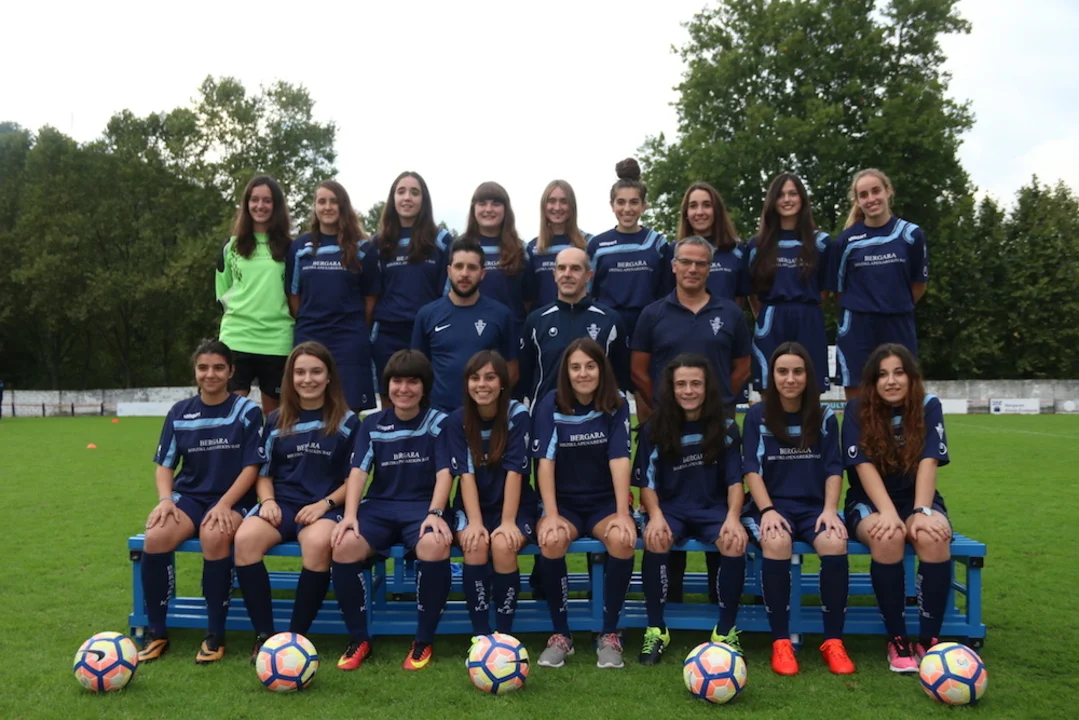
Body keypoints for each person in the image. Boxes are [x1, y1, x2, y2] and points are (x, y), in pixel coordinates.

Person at [137, 339, 264, 664]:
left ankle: (215, 634)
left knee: (214, 535)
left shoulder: (247, 411)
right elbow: (165, 466)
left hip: (234, 498)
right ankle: (156, 631)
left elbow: (252, 467)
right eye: (203, 367)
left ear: (231, 371)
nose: (211, 374)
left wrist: (224, 504)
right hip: (190, 497)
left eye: (219, 367)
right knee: (156, 536)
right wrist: (166, 500)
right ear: (195, 371)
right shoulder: (180, 412)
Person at [234, 342, 358, 661]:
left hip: (326, 507)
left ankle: (295, 638)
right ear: (290, 378)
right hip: (283, 504)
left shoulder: (347, 421)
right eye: (300, 372)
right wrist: (268, 501)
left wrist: (324, 504)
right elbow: (264, 473)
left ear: (329, 376)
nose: (308, 379)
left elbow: (355, 479)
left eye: (316, 372)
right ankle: (264, 635)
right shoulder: (276, 419)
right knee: (245, 539)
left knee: (317, 545)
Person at [329, 349, 452, 671]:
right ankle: (359, 638)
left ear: (424, 387)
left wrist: (436, 513)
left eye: (413, 382)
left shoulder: (439, 422)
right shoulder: (372, 423)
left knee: (434, 544)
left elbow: (445, 473)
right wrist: (350, 516)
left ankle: (423, 640)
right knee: (344, 544)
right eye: (397, 381)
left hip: (423, 507)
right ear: (387, 385)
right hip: (380, 507)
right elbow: (358, 472)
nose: (404, 389)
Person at [741, 342, 855, 676]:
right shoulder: (757, 415)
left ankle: (833, 641)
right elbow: (752, 470)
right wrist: (768, 510)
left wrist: (830, 510)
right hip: (770, 506)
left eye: (798, 372)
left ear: (808, 376)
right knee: (777, 542)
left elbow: (833, 468)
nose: (790, 379)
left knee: (835, 542)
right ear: (772, 376)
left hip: (813, 509)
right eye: (782, 372)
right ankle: (781, 642)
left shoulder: (824, 416)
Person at [842, 343, 952, 673]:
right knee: (887, 536)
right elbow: (862, 466)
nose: (891, 381)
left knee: (933, 538)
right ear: (872, 382)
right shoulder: (857, 409)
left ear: (911, 377)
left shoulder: (929, 405)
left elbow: (929, 460)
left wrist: (921, 511)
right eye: (883, 375)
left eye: (899, 373)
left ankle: (929, 640)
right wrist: (888, 512)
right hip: (869, 500)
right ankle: (898, 639)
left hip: (918, 496)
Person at [633, 354, 747, 666]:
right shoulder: (655, 427)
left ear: (707, 387)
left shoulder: (725, 427)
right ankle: (656, 629)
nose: (688, 390)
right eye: (681, 384)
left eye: (695, 383)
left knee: (734, 541)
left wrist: (733, 518)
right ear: (671, 388)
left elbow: (735, 481)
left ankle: (725, 631)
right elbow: (646, 484)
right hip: (670, 508)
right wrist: (656, 516)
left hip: (712, 508)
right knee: (656, 538)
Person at [531, 338, 635, 669]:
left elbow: (620, 458)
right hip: (565, 504)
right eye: (575, 367)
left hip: (603, 503)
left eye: (590, 366)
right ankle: (561, 635)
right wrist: (551, 514)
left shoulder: (616, 404)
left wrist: (622, 513)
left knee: (622, 539)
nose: (583, 373)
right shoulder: (550, 404)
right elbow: (545, 463)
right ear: (566, 372)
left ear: (601, 369)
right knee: (552, 539)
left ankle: (609, 633)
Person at [445, 350, 537, 635]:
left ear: (502, 384)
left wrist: (508, 522)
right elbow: (466, 475)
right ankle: (482, 635)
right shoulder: (457, 420)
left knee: (502, 545)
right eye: (475, 378)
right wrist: (474, 522)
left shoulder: (517, 415)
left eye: (490, 377)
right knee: (475, 545)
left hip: (515, 504)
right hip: (473, 505)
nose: (482, 385)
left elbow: (515, 472)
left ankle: (504, 634)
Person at [631, 236, 751, 423]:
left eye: (700, 264)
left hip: (717, 419)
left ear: (709, 268)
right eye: (686, 262)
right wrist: (660, 403)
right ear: (674, 266)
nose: (693, 269)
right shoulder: (651, 314)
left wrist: (719, 400)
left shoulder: (731, 313)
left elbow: (743, 368)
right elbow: (638, 371)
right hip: (668, 418)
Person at [832, 169, 928, 398]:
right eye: (863, 195)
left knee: (903, 393)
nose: (871, 199)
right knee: (858, 401)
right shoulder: (845, 241)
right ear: (857, 201)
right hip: (857, 327)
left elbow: (918, 284)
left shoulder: (911, 234)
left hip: (898, 323)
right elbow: (838, 291)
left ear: (888, 191)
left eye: (876, 191)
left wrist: (893, 304)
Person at [287, 180, 381, 412]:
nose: (327, 207)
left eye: (333, 201)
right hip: (310, 336)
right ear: (315, 207)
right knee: (310, 408)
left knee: (348, 410)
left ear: (343, 206)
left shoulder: (363, 248)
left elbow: (370, 298)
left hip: (348, 339)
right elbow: (293, 295)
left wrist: (353, 326)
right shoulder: (300, 247)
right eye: (322, 201)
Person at [588, 157, 672, 404]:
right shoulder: (597, 245)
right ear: (612, 205)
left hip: (647, 326)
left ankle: (649, 431)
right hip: (608, 326)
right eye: (621, 202)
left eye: (634, 202)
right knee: (607, 394)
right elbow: (588, 292)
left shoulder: (657, 242)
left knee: (646, 391)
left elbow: (666, 292)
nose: (627, 209)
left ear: (644, 205)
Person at [744, 173, 833, 393]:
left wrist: (805, 310)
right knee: (769, 385)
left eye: (793, 193)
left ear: (802, 198)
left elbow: (825, 289)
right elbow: (752, 291)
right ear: (772, 201)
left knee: (810, 386)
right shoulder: (757, 244)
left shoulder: (821, 242)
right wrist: (766, 315)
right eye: (780, 195)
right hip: (771, 318)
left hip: (808, 317)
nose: (787, 199)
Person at [371, 171, 452, 406]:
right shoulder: (378, 242)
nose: (407, 198)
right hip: (388, 332)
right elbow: (372, 292)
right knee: (392, 399)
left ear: (423, 200)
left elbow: (447, 290)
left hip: (428, 332)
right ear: (393, 198)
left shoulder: (441, 240)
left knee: (427, 399)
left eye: (414, 192)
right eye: (401, 191)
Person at [215, 175, 294, 414]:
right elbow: (222, 293)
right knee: (231, 415)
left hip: (277, 341)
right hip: (237, 338)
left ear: (276, 205)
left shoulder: (291, 248)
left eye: (267, 200)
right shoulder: (230, 247)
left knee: (276, 420)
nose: (260, 206)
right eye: (254, 200)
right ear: (246, 204)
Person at [412, 237, 517, 411]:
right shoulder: (427, 315)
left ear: (482, 273)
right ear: (449, 271)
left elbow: (512, 370)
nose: (465, 274)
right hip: (440, 414)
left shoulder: (501, 315)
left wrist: (490, 404)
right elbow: (418, 369)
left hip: (485, 415)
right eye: (459, 266)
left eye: (472, 267)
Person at [519, 247, 627, 403]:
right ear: (554, 274)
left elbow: (621, 375)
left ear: (588, 275)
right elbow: (525, 376)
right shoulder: (536, 321)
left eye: (575, 268)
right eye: (561, 268)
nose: (567, 274)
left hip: (597, 413)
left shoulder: (610, 320)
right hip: (548, 413)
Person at [463, 181, 533, 331]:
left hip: (511, 332)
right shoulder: (460, 247)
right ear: (474, 208)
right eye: (482, 203)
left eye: (496, 204)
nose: (488, 209)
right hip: (468, 331)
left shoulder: (522, 249)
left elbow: (529, 299)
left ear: (506, 209)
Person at [526, 180, 592, 307]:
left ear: (572, 206)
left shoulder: (588, 243)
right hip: (544, 317)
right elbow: (529, 294)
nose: (557, 207)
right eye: (551, 201)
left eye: (564, 201)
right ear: (544, 206)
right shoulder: (533, 248)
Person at [677, 181, 745, 302]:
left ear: (717, 210)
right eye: (693, 206)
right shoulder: (673, 251)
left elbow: (741, 298)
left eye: (707, 205)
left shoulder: (737, 250)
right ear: (686, 213)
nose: (700, 212)